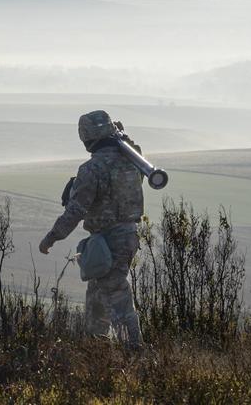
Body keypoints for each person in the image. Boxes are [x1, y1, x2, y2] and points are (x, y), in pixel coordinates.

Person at [38, 110, 144, 347]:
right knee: (97, 296)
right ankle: (96, 351)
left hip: (108, 241)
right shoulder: (133, 161)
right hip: (124, 237)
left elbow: (75, 211)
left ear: (86, 137)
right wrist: (125, 140)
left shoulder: (92, 169)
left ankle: (135, 353)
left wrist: (51, 238)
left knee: (117, 297)